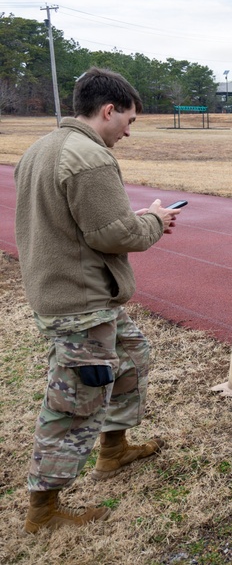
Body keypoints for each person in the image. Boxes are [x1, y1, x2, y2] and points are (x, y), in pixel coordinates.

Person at [14, 67, 182, 532]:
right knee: (74, 403)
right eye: (128, 120)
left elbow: (81, 221)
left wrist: (133, 218)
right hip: (79, 302)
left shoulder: (41, 149)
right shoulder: (90, 157)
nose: (128, 131)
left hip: (70, 291)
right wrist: (154, 220)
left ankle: (113, 450)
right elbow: (116, 234)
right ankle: (43, 512)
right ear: (108, 110)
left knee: (131, 353)